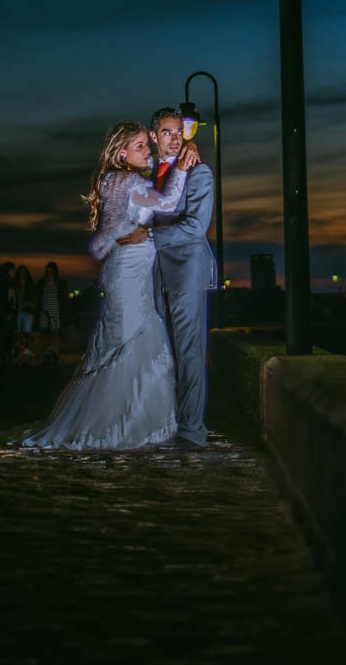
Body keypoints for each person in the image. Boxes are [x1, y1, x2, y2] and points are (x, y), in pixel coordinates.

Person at [17, 121, 199, 450]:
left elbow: (114, 227)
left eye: (147, 144)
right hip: (129, 271)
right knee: (131, 342)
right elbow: (169, 204)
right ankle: (121, 427)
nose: (149, 151)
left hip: (125, 268)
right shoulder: (129, 181)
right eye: (141, 146)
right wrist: (183, 168)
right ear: (121, 152)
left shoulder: (111, 180)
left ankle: (124, 422)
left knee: (123, 341)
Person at [126, 107, 217, 448]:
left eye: (180, 131)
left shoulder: (200, 173)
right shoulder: (147, 174)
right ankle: (164, 423)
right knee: (160, 352)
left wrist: (147, 238)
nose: (176, 137)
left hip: (188, 271)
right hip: (154, 275)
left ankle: (192, 432)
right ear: (154, 136)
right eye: (167, 132)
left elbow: (195, 227)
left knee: (190, 352)